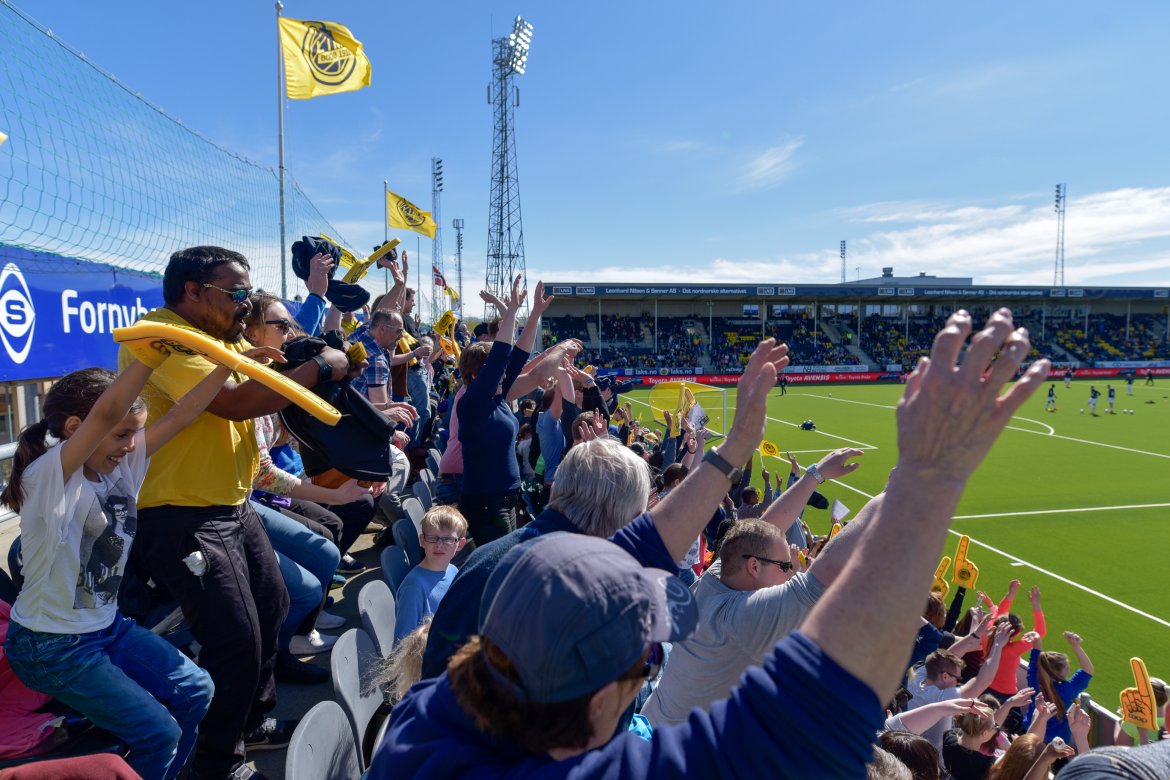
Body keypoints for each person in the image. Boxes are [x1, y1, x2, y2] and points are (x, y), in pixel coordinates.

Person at [372, 308, 1051, 778]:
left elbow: (640, 541)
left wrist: (732, 452)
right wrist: (928, 478)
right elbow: (812, 717)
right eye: (641, 662)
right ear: (602, 700)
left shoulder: (436, 713)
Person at [117, 246, 354, 780]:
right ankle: (218, 761)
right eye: (237, 294)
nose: (246, 305)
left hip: (230, 504)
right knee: (235, 639)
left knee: (272, 606)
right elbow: (234, 403)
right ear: (193, 292)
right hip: (184, 515)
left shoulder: (218, 338)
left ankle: (249, 722)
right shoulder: (167, 335)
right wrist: (321, 365)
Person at [0, 357, 242, 779]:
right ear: (77, 428)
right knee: (157, 733)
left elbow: (184, 415)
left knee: (195, 690)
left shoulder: (120, 467)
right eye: (122, 434)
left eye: (134, 434)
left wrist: (230, 364)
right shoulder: (50, 478)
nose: (131, 445)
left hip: (105, 627)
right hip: (50, 646)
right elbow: (108, 412)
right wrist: (148, 356)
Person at [640, 447, 865, 728]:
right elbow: (827, 574)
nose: (789, 572)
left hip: (653, 727)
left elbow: (761, 531)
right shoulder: (741, 618)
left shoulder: (717, 580)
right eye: (784, 567)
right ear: (754, 567)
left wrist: (815, 475)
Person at [457, 278, 552, 545]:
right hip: (486, 504)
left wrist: (534, 314)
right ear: (478, 375)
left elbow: (519, 355)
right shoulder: (473, 404)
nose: (504, 378)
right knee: (501, 568)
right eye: (496, 374)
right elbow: (500, 356)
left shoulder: (496, 398)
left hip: (504, 498)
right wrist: (509, 310)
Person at [394, 506, 467, 645]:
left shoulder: (453, 571)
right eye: (432, 538)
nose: (439, 545)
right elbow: (401, 645)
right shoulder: (414, 587)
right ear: (422, 541)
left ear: (460, 544)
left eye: (447, 539)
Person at [1020, 630, 1093, 744]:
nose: (1069, 669)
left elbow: (1035, 660)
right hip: (1055, 745)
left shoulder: (1034, 681)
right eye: (1067, 667)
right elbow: (1088, 670)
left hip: (1028, 736)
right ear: (1057, 672)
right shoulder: (1066, 690)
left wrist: (1037, 640)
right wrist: (1076, 646)